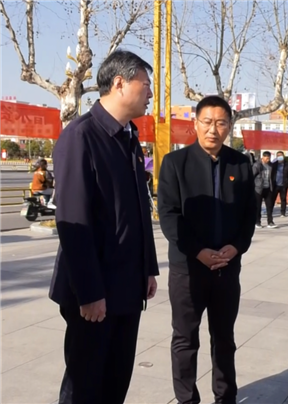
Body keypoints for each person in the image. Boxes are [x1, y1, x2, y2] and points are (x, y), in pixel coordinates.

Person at [49, 50, 159, 404]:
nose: (150, 93)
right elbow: (73, 222)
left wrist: (148, 268)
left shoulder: (129, 137)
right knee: (85, 386)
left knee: (115, 381)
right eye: (145, 84)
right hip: (94, 293)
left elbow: (138, 209)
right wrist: (89, 293)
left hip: (127, 287)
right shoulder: (81, 136)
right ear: (119, 83)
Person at [157, 96, 256, 404]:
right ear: (196, 124)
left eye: (221, 123)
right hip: (188, 269)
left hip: (227, 268)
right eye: (207, 122)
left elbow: (249, 214)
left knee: (224, 338)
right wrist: (198, 251)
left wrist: (236, 247)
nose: (214, 129)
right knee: (185, 338)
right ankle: (187, 399)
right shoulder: (175, 163)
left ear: (229, 126)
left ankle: (225, 397)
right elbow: (169, 215)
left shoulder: (240, 164)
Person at [252, 151, 277, 228]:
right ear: (262, 157)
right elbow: (252, 176)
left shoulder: (271, 165)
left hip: (268, 188)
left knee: (269, 206)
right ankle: (257, 222)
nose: (268, 160)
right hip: (258, 188)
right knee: (258, 206)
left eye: (269, 158)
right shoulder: (257, 165)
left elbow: (273, 176)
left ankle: (270, 222)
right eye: (266, 158)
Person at [271, 150, 288, 217]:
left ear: (283, 156)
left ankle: (283, 212)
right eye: (278, 156)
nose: (279, 157)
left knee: (283, 199)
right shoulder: (274, 164)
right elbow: (271, 174)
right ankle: (270, 211)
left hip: (283, 185)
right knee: (272, 198)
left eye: (280, 155)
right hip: (275, 184)